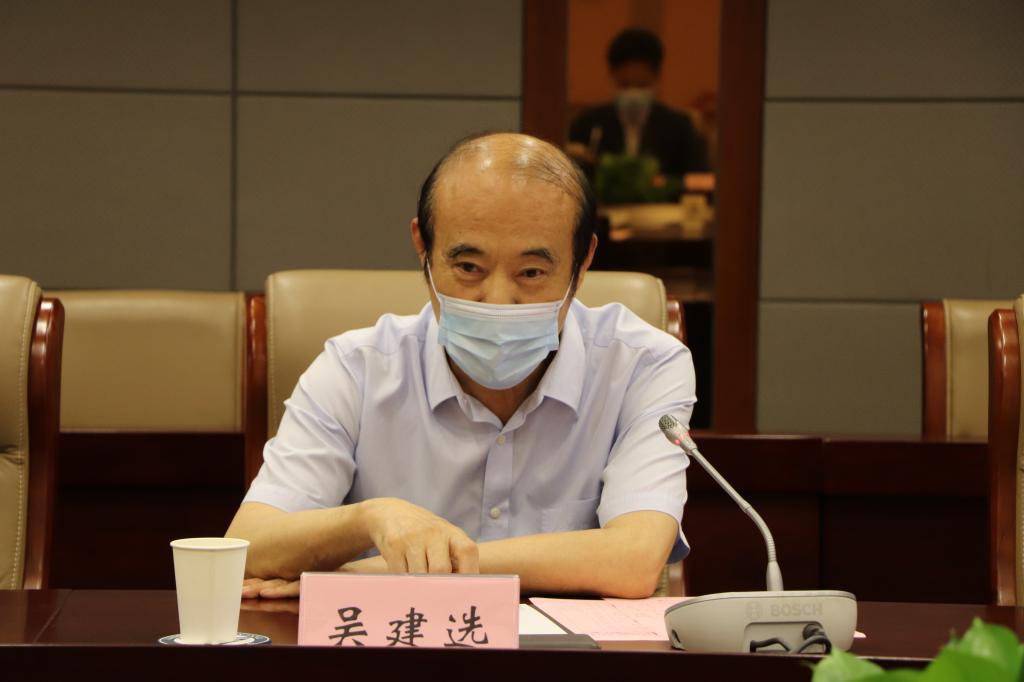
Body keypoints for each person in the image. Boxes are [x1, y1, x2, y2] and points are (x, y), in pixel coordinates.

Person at [228, 133, 697, 599]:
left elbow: (633, 560)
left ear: (584, 259)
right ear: (423, 246)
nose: (497, 300)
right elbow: (247, 548)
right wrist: (373, 518)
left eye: (531, 273)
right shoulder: (357, 369)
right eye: (469, 267)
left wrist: (377, 571)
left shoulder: (643, 366)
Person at [567, 28, 708, 177]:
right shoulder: (588, 124)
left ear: (657, 77)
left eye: (642, 85)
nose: (633, 93)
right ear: (612, 76)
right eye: (625, 85)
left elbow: (699, 177)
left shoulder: (680, 127)